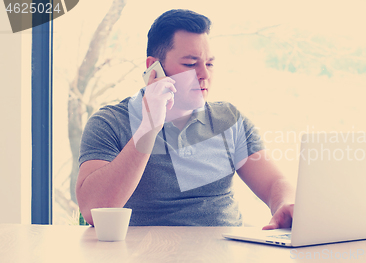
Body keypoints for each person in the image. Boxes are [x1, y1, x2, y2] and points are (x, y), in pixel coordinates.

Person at [76, 9, 294, 229]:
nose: (204, 75)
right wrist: (149, 126)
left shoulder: (229, 120)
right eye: (191, 64)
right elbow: (94, 210)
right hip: (145, 254)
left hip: (225, 252)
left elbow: (275, 183)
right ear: (154, 67)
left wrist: (285, 204)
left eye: (209, 64)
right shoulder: (110, 123)